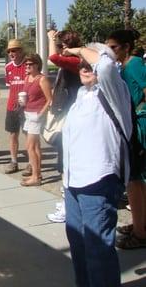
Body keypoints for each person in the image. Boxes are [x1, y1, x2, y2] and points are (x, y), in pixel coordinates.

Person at [62, 44, 131, 287]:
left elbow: (105, 65)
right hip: (73, 183)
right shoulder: (82, 95)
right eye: (81, 64)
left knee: (98, 249)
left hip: (99, 181)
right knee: (79, 245)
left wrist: (79, 49)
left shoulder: (115, 90)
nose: (84, 67)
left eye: (88, 62)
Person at [106, 29, 146, 249]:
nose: (110, 52)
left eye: (114, 47)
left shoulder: (135, 65)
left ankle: (140, 233)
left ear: (126, 47)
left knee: (134, 181)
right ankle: (139, 223)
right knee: (135, 181)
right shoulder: (123, 67)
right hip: (130, 127)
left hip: (138, 128)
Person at [46, 30, 83, 222]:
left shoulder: (74, 62)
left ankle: (68, 206)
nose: (58, 50)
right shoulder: (72, 62)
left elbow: (52, 58)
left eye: (61, 46)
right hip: (66, 114)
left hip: (70, 117)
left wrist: (51, 39)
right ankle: (67, 203)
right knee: (64, 161)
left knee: (66, 163)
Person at [20, 53, 52, 187]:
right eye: (26, 64)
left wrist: (41, 114)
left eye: (30, 64)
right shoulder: (27, 78)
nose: (27, 66)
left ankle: (35, 176)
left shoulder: (42, 79)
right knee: (36, 146)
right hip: (27, 112)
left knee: (30, 147)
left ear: (37, 64)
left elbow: (50, 99)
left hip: (36, 115)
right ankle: (37, 173)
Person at [4, 39, 28, 174]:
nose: (11, 53)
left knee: (28, 134)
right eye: (9, 51)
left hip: (26, 107)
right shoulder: (8, 67)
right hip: (11, 106)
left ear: (20, 51)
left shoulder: (28, 65)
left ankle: (31, 162)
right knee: (13, 134)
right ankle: (14, 161)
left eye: (14, 50)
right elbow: (10, 86)